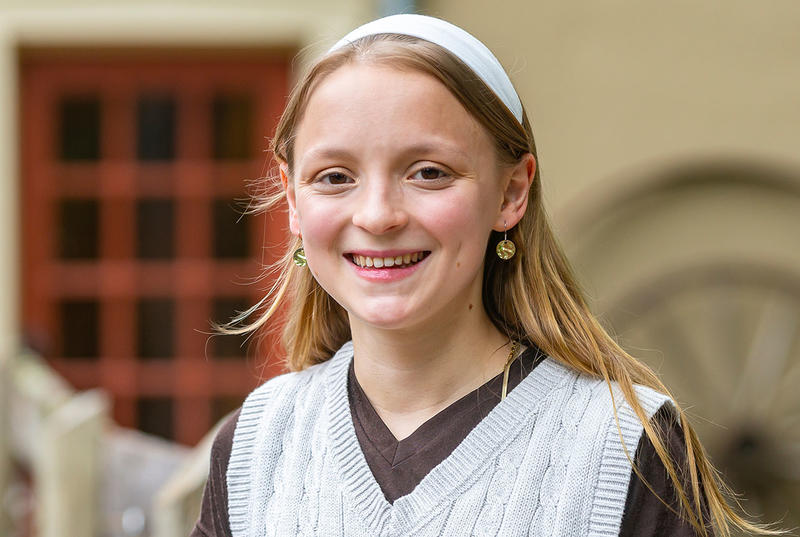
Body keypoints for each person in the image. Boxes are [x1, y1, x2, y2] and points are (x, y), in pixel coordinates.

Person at [190, 14, 774, 537]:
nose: (376, 216)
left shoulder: (621, 447)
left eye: (428, 172)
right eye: (335, 177)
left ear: (511, 192)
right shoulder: (257, 449)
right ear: (292, 202)